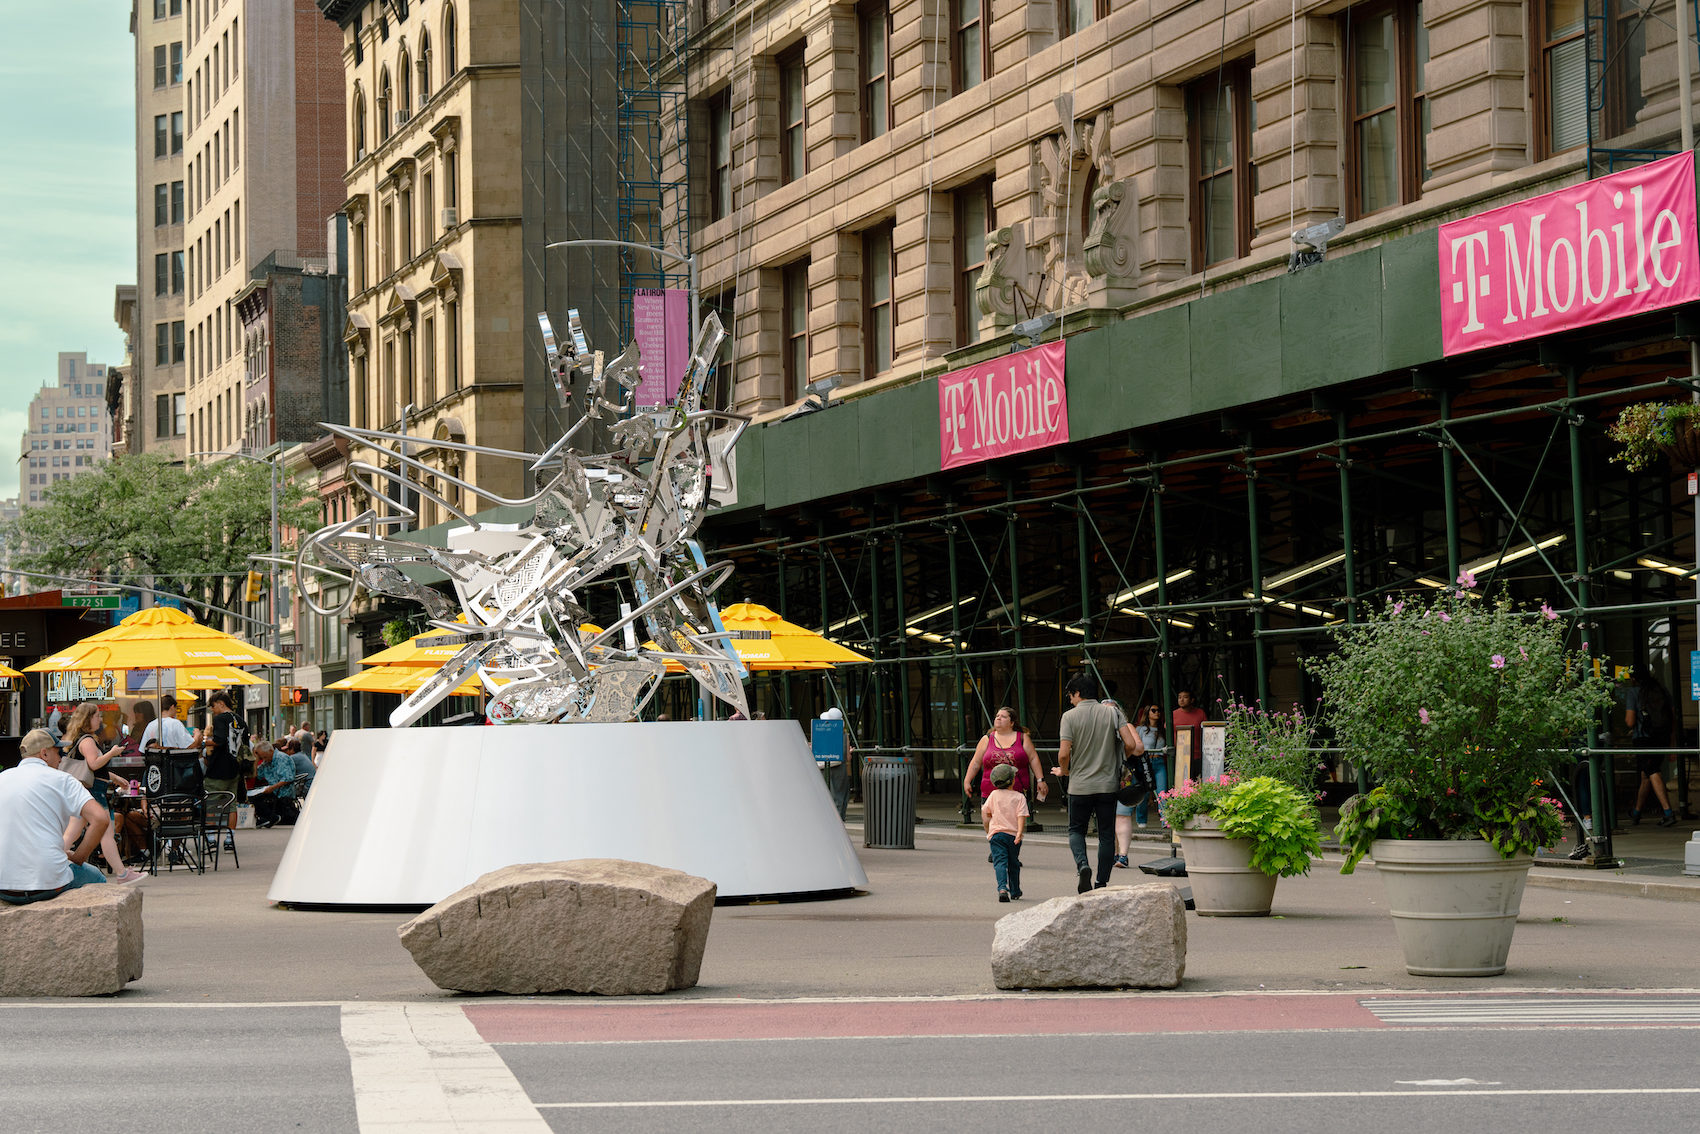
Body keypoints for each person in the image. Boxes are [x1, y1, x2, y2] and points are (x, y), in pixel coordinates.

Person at [0, 730, 115, 904]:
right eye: (58, 752)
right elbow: (100, 819)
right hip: (49, 882)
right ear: (44, 753)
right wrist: (78, 857)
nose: (62, 758)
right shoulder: (64, 780)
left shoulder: (2, 778)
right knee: (97, 878)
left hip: (4, 885)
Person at [1055, 674, 1142, 893]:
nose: (1070, 700)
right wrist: (1120, 760)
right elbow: (1130, 743)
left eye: (1070, 696)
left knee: (1076, 830)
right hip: (1108, 785)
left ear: (1077, 693)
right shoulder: (1113, 712)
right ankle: (1102, 882)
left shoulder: (1069, 717)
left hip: (1079, 785)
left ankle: (1083, 865)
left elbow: (1064, 754)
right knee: (1105, 834)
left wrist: (1064, 772)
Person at [59, 702, 146, 885]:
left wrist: (114, 778)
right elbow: (94, 764)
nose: (100, 719)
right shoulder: (88, 740)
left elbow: (93, 769)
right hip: (94, 794)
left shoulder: (80, 738)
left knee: (73, 832)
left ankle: (53, 860)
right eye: (97, 716)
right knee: (106, 833)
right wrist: (112, 753)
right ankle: (122, 874)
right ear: (88, 719)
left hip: (86, 791)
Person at [1112, 704, 1169, 868]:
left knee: (1122, 814)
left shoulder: (1128, 727)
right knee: (1108, 816)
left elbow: (1137, 748)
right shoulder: (1095, 728)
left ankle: (1123, 855)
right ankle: (1113, 853)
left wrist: (1123, 753)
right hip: (1102, 776)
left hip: (1124, 773)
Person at [1625, 666, 1677, 827]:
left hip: (1644, 738)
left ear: (1634, 679)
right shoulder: (1661, 689)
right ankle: (1637, 812)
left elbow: (1630, 721)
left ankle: (1668, 812)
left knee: (1652, 771)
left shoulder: (1634, 692)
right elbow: (1672, 715)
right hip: (1661, 737)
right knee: (1646, 775)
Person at [962, 707, 1048, 803]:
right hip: (990, 793)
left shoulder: (1023, 738)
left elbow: (1033, 759)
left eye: (1003, 717)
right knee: (991, 818)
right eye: (997, 716)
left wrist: (1040, 780)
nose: (998, 718)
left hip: (1017, 792)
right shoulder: (986, 739)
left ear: (1012, 723)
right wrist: (967, 781)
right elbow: (976, 762)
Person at [981, 762, 1028, 902]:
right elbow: (1021, 816)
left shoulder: (993, 795)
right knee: (1013, 863)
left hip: (996, 835)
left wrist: (989, 829)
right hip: (1013, 836)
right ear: (1012, 780)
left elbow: (985, 813)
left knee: (1000, 863)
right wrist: (1019, 832)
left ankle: (1002, 888)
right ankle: (1015, 891)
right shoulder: (1019, 797)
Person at [200, 691, 244, 799]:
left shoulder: (220, 719)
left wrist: (203, 742)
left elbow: (219, 740)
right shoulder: (240, 719)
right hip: (235, 769)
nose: (212, 710)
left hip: (219, 769)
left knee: (212, 803)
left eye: (213, 706)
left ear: (221, 703)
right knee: (231, 804)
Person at [246, 741, 297, 828]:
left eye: (265, 757)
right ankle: (268, 817)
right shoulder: (267, 761)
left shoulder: (281, 758)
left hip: (282, 790)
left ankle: (271, 817)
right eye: (262, 757)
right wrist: (257, 759)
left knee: (256, 798)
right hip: (272, 788)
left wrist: (273, 787)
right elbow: (255, 775)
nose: (264, 759)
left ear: (270, 751)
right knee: (250, 795)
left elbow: (287, 778)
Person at [1172, 689, 1207, 783]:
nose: (1181, 700)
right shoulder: (1173, 714)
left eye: (1185, 697)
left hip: (1197, 755)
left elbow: (1206, 732)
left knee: (1198, 783)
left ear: (1192, 700)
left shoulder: (1200, 713)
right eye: (1179, 697)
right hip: (1179, 755)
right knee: (1182, 784)